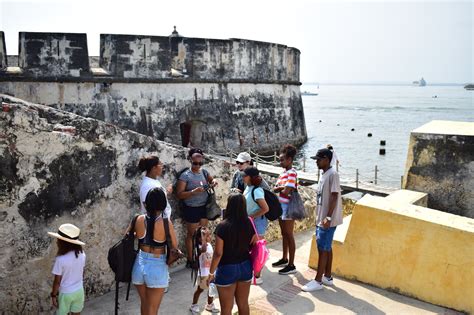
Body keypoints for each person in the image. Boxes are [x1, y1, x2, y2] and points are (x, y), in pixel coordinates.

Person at [129, 188, 179, 314]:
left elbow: (127, 237)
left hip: (138, 265)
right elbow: (175, 246)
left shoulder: (138, 219)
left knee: (145, 304)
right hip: (157, 266)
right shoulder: (166, 223)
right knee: (153, 309)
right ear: (162, 203)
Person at [207, 193, 257, 315]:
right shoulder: (249, 222)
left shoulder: (222, 226)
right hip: (245, 265)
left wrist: (211, 272)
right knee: (243, 304)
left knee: (226, 308)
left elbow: (218, 253)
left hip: (226, 268)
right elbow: (254, 242)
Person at [302, 148, 343, 292]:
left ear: (326, 159)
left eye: (318, 160)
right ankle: (327, 276)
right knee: (326, 246)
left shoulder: (333, 174)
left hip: (328, 219)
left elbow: (334, 196)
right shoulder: (324, 174)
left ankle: (318, 281)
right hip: (322, 218)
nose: (316, 162)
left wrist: (328, 217)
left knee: (323, 248)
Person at [176, 148, 218, 267]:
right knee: (192, 234)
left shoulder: (204, 172)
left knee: (203, 233)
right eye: (195, 163)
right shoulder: (185, 176)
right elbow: (179, 194)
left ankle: (203, 256)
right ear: (190, 161)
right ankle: (190, 259)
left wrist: (214, 181)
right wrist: (193, 192)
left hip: (204, 207)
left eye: (200, 163)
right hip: (192, 208)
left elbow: (211, 179)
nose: (198, 165)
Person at [48, 223, 86, 315]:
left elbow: (57, 281)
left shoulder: (61, 259)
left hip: (66, 293)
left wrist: (53, 295)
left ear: (63, 243)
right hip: (79, 291)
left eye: (58, 240)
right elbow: (82, 272)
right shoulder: (82, 254)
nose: (57, 242)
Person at [272, 144, 298, 275]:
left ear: (289, 160)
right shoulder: (283, 173)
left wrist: (278, 189)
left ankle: (292, 264)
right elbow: (282, 188)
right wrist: (280, 188)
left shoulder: (292, 172)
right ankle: (284, 258)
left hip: (288, 206)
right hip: (281, 206)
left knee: (289, 234)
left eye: (282, 160)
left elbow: (287, 191)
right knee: (284, 234)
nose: (280, 162)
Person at [242, 166, 269, 284]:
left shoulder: (257, 190)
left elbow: (265, 208)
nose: (242, 177)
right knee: (251, 250)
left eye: (245, 175)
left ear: (250, 177)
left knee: (258, 250)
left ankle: (257, 276)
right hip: (250, 223)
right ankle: (252, 274)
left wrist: (251, 217)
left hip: (257, 224)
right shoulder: (248, 188)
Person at [189, 226, 219, 314]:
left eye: (209, 235)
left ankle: (210, 304)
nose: (210, 237)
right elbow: (200, 253)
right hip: (203, 274)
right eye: (207, 236)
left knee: (211, 289)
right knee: (200, 290)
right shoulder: (198, 247)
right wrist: (202, 247)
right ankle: (194, 305)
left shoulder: (209, 245)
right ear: (200, 238)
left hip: (211, 272)